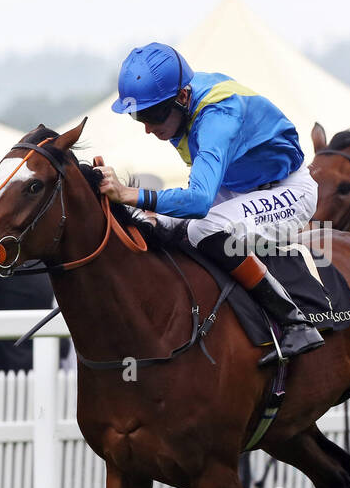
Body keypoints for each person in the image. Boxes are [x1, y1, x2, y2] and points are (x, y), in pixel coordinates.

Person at [97, 43, 323, 364]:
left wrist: (133, 193)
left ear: (183, 98)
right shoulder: (180, 96)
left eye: (151, 114)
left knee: (204, 228)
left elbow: (200, 202)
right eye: (137, 116)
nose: (146, 127)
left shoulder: (218, 117)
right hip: (239, 186)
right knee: (155, 222)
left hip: (289, 189)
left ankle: (295, 322)